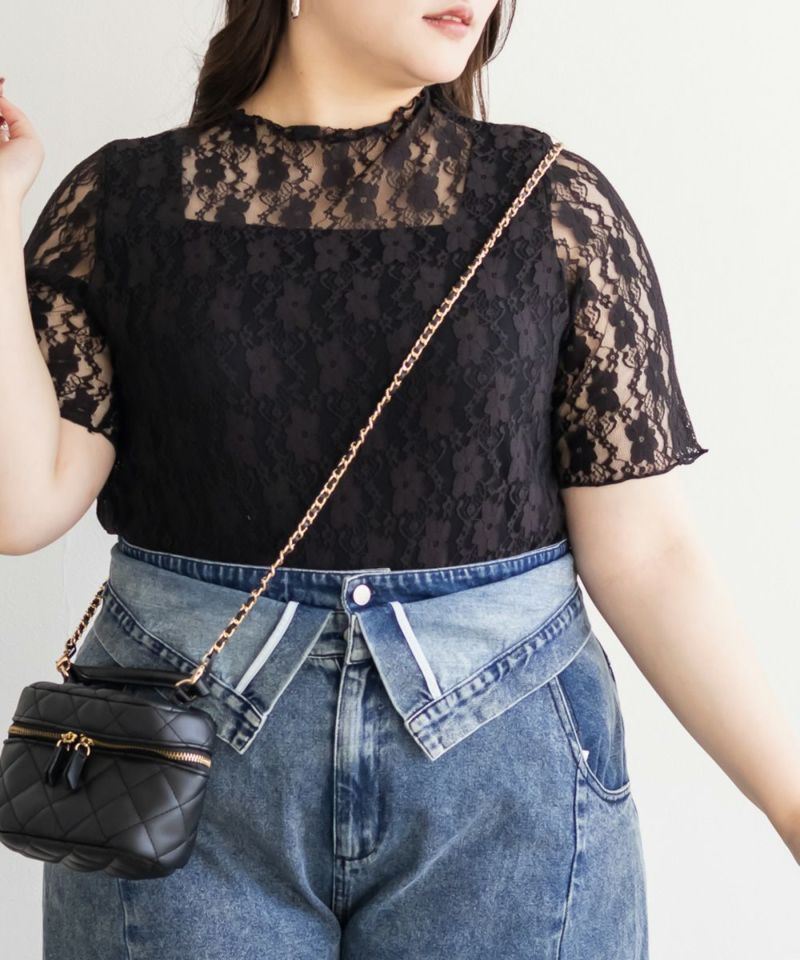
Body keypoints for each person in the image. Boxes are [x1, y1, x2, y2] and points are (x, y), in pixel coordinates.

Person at [1, 1, 799, 958]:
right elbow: (22, 504)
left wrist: (789, 798)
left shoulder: (552, 203)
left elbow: (649, 553)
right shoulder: (121, 202)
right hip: (176, 770)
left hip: (505, 777)